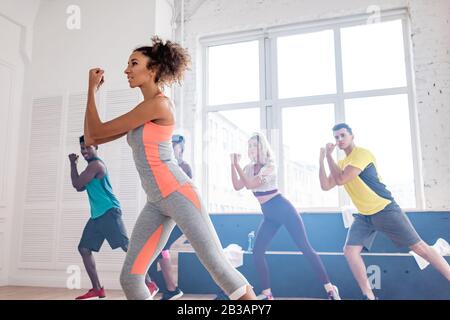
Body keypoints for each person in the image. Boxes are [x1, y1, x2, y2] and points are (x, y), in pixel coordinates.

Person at [82, 36, 256, 300]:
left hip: (178, 192)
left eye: (134, 63)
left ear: (152, 70)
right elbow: (93, 136)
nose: (126, 69)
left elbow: (95, 132)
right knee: (130, 278)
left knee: (218, 266)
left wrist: (91, 89)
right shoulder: (141, 109)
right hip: (155, 202)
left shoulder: (159, 104)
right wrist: (91, 92)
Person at [319, 123, 450, 300]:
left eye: (343, 135)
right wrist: (321, 160)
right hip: (364, 216)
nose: (339, 140)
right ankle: (369, 296)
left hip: (385, 209)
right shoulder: (340, 163)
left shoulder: (362, 155)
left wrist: (328, 156)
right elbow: (326, 186)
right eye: (336, 137)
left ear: (352, 135)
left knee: (421, 248)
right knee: (350, 251)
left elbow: (341, 179)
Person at [231, 132, 340, 300]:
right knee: (257, 252)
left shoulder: (270, 165)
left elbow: (250, 184)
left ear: (262, 147)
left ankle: (330, 288)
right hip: (269, 216)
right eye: (250, 145)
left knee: (306, 248)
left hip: (284, 209)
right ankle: (268, 294)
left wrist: (237, 165)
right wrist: (233, 164)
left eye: (255, 145)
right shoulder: (248, 168)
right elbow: (238, 186)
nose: (252, 148)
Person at [69, 136, 157, 299]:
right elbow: (79, 187)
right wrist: (76, 170)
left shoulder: (96, 165)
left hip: (109, 212)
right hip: (97, 216)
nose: (84, 151)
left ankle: (149, 283)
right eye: (82, 148)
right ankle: (97, 289)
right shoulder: (90, 168)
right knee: (84, 249)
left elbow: (76, 183)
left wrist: (73, 164)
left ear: (96, 146)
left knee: (127, 247)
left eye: (87, 147)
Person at [147, 134, 192, 300]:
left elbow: (185, 193)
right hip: (167, 214)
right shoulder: (166, 166)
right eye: (170, 144)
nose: (172, 147)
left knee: (162, 247)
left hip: (181, 216)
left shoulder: (185, 167)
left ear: (181, 148)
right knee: (159, 248)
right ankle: (168, 288)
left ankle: (171, 289)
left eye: (175, 145)